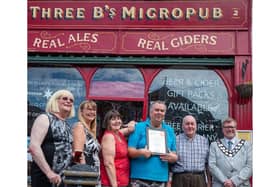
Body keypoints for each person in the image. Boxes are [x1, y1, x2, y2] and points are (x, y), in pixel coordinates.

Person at [29, 89, 75, 187]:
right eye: (65, 98)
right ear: (55, 101)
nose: (68, 101)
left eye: (71, 100)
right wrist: (49, 173)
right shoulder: (45, 118)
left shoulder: (67, 125)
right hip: (45, 179)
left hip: (62, 180)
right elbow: (34, 147)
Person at [128, 100, 178, 187]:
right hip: (140, 177)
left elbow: (174, 153)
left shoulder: (169, 130)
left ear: (164, 113)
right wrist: (141, 152)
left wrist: (172, 157)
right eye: (157, 110)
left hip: (161, 178)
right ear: (150, 112)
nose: (159, 113)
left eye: (162, 111)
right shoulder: (139, 127)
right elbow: (130, 151)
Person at [208, 117, 252, 187]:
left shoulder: (246, 144)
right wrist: (225, 181)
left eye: (232, 127)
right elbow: (212, 166)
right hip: (221, 184)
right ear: (222, 129)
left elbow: (250, 166)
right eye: (226, 127)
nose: (229, 129)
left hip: (241, 184)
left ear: (236, 129)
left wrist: (234, 181)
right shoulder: (214, 145)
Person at [170, 115, 212, 187]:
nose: (190, 126)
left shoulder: (204, 141)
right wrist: (169, 181)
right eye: (187, 124)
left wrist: (209, 182)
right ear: (182, 126)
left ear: (196, 126)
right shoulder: (175, 140)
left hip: (199, 179)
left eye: (192, 124)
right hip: (179, 179)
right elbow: (170, 163)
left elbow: (207, 164)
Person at [100, 109, 136, 187]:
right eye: (113, 119)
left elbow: (131, 128)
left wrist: (132, 123)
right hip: (112, 183)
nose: (117, 121)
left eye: (118, 118)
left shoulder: (119, 134)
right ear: (107, 122)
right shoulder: (109, 137)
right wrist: (114, 185)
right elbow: (108, 163)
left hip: (122, 181)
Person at [72, 100, 101, 186]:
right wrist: (85, 174)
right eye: (88, 109)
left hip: (93, 172)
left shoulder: (90, 131)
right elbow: (78, 154)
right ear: (81, 112)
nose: (92, 112)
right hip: (85, 174)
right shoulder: (79, 127)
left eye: (94, 110)